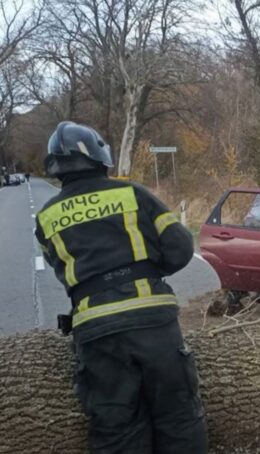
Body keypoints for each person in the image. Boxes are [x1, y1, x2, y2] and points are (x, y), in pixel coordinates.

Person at [34, 121, 208, 453]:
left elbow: (63, 271)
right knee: (179, 416)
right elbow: (181, 247)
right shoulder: (132, 194)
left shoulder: (45, 218)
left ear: (56, 167)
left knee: (115, 430)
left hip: (96, 330)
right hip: (153, 323)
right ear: (100, 156)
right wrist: (145, 271)